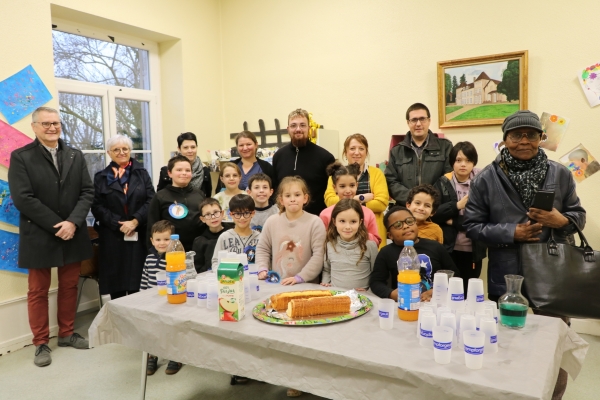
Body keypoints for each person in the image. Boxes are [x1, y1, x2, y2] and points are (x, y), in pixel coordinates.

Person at [463, 110, 586, 400]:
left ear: (540, 138)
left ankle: (552, 395)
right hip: (507, 271)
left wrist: (562, 221)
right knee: (505, 340)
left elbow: (577, 215)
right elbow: (471, 225)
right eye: (516, 135)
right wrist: (511, 233)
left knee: (553, 340)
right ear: (504, 139)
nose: (524, 141)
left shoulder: (560, 173)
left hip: (553, 270)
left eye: (531, 134)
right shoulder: (486, 179)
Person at [8, 106, 94, 367]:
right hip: (40, 233)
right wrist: (60, 224)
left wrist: (73, 222)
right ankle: (41, 342)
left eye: (56, 123)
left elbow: (87, 192)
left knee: (69, 286)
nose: (52, 127)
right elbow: (23, 198)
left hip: (73, 232)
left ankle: (67, 333)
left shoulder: (74, 155)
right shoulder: (21, 156)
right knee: (38, 291)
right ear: (34, 127)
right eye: (45, 123)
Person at [91, 134, 155, 300]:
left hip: (138, 234)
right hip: (113, 237)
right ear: (109, 153)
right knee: (116, 286)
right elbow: (97, 206)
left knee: (138, 285)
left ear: (130, 151)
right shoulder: (100, 177)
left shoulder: (142, 173)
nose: (121, 152)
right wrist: (119, 224)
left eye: (124, 149)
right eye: (116, 149)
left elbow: (151, 200)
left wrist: (134, 221)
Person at [369, 206, 458, 302]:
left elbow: (455, 275)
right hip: (405, 303)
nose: (406, 226)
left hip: (435, 303)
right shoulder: (386, 252)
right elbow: (376, 282)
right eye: (398, 225)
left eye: (409, 221)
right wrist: (391, 294)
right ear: (390, 235)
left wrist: (438, 291)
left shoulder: (435, 247)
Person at [433, 142, 487, 295]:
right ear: (452, 162)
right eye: (458, 160)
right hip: (449, 248)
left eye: (468, 160)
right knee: (449, 291)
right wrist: (457, 205)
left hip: (474, 248)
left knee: (470, 291)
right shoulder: (443, 182)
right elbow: (434, 213)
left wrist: (454, 222)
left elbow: (485, 218)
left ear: (474, 162)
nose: (463, 164)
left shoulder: (482, 181)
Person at [256, 176, 326, 285]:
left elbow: (319, 255)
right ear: (281, 200)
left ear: (305, 198)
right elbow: (263, 249)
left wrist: (300, 277)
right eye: (288, 196)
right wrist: (262, 268)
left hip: (306, 285)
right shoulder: (271, 221)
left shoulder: (315, 222)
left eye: (297, 195)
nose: (293, 199)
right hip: (278, 284)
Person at [324, 134, 389, 248]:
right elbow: (330, 201)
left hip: (370, 232)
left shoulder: (376, 173)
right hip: (342, 235)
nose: (357, 152)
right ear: (345, 152)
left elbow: (382, 203)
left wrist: (346, 200)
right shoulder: (335, 174)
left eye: (361, 148)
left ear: (366, 152)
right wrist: (361, 198)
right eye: (352, 148)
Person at [385, 103, 453, 205]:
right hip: (406, 208)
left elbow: (449, 178)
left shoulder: (445, 147)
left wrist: (428, 199)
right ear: (408, 122)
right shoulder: (397, 151)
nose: (418, 124)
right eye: (414, 120)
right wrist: (413, 199)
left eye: (422, 119)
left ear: (429, 121)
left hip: (435, 209)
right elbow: (391, 182)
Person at [272, 108, 335, 215]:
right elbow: (275, 189)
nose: (298, 129)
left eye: (302, 125)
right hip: (286, 219)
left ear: (309, 128)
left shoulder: (325, 157)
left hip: (317, 220)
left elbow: (332, 193)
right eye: (293, 125)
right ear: (288, 129)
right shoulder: (278, 156)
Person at [140, 220, 182, 375]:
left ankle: (175, 356)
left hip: (171, 301)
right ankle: (153, 354)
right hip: (153, 302)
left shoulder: (176, 257)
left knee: (171, 328)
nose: (162, 243)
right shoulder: (149, 258)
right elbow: (144, 278)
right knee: (153, 329)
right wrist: (141, 296)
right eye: (158, 240)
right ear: (152, 240)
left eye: (166, 239)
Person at [147, 155, 206, 253]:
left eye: (187, 170)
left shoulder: (199, 194)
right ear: (169, 173)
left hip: (197, 249)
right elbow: (152, 227)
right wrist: (154, 252)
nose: (184, 173)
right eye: (179, 170)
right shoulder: (160, 196)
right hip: (170, 250)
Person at [321, 199, 378, 291]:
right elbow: (327, 270)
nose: (347, 227)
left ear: (360, 222)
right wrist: (325, 284)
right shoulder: (329, 245)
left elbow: (377, 274)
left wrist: (369, 291)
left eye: (353, 221)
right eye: (342, 221)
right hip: (336, 297)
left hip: (364, 298)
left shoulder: (370, 246)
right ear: (334, 221)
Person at [320, 162, 381, 246]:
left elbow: (376, 241)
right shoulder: (325, 214)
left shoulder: (368, 213)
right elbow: (321, 242)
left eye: (352, 185)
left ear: (357, 185)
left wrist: (358, 232)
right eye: (342, 186)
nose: (348, 190)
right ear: (335, 188)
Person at [214, 130, 276, 195]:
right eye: (241, 145)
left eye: (248, 144)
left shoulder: (266, 167)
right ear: (237, 147)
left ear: (256, 145)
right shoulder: (229, 166)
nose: (245, 148)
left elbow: (273, 191)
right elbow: (220, 190)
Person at [211, 194, 261, 270]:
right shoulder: (224, 237)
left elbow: (264, 262)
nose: (242, 218)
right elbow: (215, 262)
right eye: (238, 214)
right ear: (231, 214)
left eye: (246, 213)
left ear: (253, 213)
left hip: (253, 278)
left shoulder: (260, 237)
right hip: (230, 279)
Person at [157, 132, 212, 196]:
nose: (190, 151)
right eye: (186, 147)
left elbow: (207, 197)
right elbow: (160, 196)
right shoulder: (166, 170)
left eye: (193, 147)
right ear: (179, 149)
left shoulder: (204, 170)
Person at [192, 198, 233, 273]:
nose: (213, 217)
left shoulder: (232, 233)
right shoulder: (199, 241)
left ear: (222, 213)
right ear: (202, 219)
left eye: (216, 212)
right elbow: (197, 268)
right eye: (207, 214)